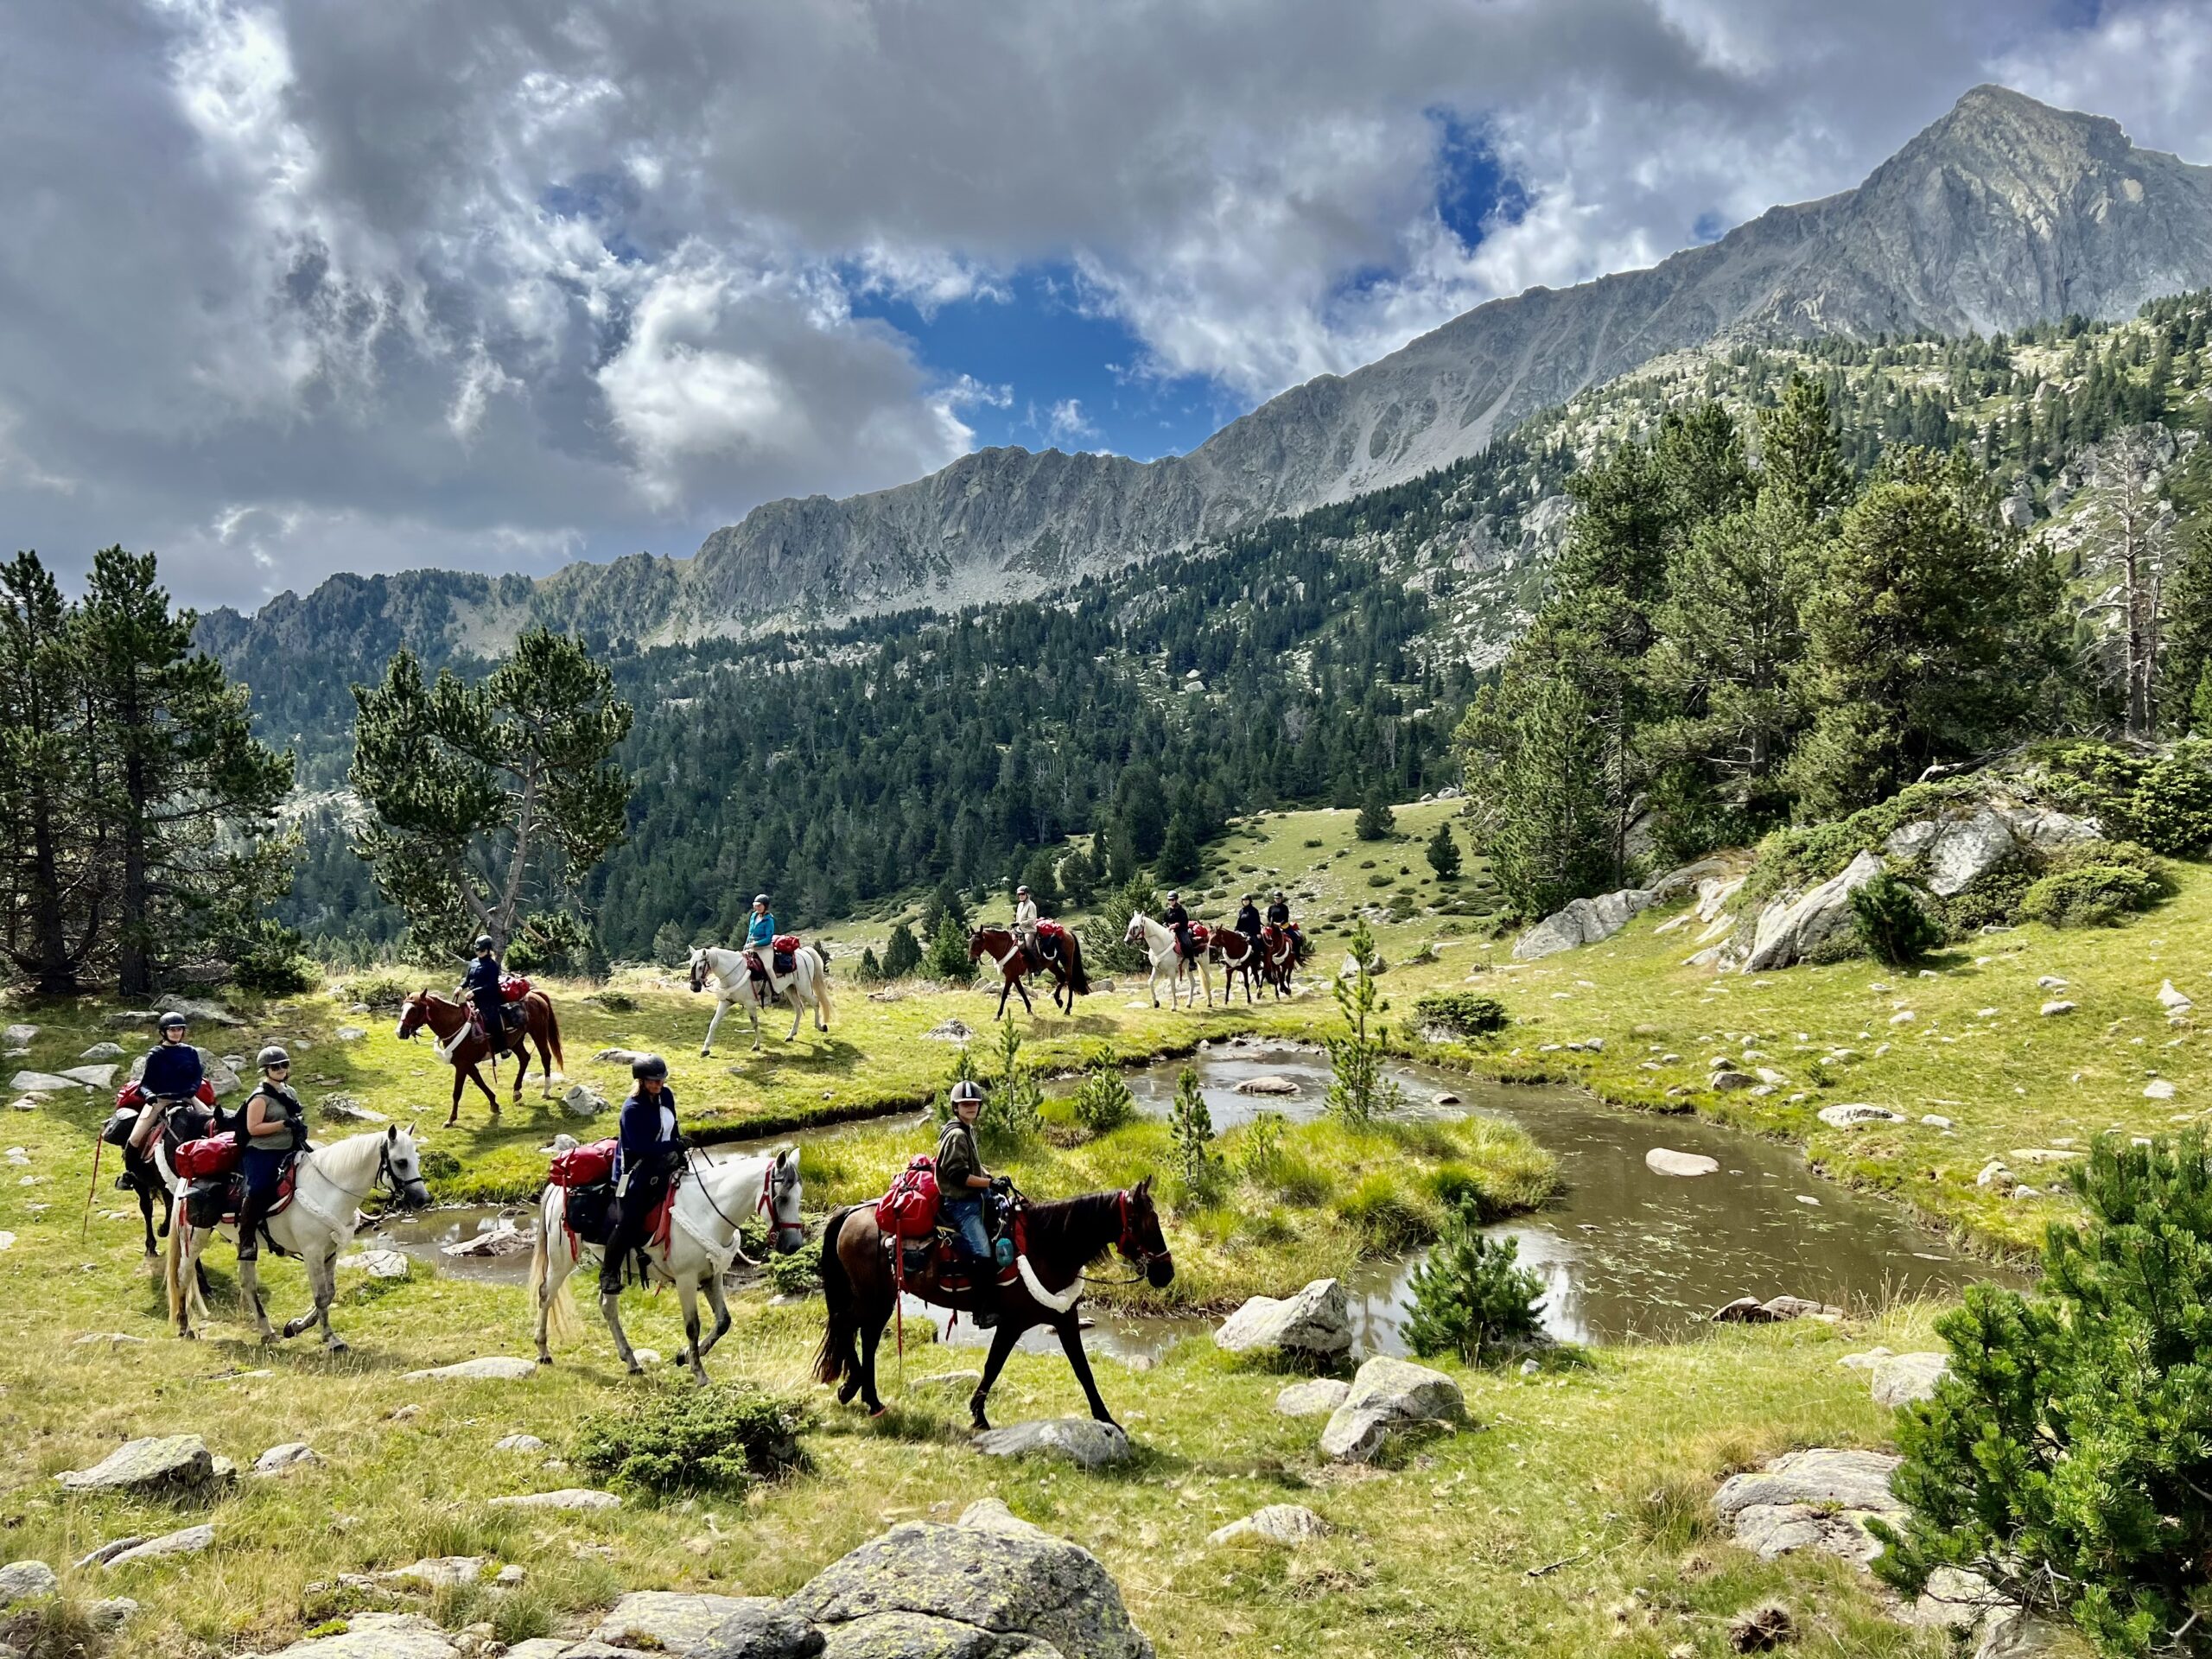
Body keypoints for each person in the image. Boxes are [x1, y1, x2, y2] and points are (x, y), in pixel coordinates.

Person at [601, 1054, 683, 1299]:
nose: (659, 1085)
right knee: (629, 1221)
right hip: (636, 1169)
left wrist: (680, 1149)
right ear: (641, 1081)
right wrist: (674, 1146)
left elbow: (673, 1125)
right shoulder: (632, 1109)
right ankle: (608, 1273)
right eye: (653, 1081)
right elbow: (641, 1148)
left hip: (666, 1162)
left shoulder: (666, 1096)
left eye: (661, 1080)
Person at [935, 1078, 1002, 1326]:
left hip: (975, 1197)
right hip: (962, 1205)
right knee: (982, 1250)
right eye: (965, 1104)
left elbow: (972, 1165)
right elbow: (959, 1176)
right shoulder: (956, 1135)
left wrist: (990, 1177)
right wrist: (989, 1184)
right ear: (956, 1107)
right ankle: (982, 1310)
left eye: (974, 1103)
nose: (971, 1107)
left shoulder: (965, 1129)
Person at [233, 1046, 306, 1261]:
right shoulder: (259, 1098)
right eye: (275, 1066)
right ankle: (246, 1238)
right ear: (265, 1070)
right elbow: (253, 1128)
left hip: (290, 1147)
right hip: (262, 1151)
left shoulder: (290, 1091)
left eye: (284, 1065)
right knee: (258, 1189)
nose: (281, 1069)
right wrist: (284, 1124)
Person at [129, 1011, 205, 1153]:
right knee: (135, 1138)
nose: (176, 1033)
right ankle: (131, 1171)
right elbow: (145, 1084)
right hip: (160, 1100)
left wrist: (193, 1089)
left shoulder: (191, 1052)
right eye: (172, 1029)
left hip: (187, 1097)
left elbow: (197, 1076)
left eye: (179, 1029)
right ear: (163, 1032)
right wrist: (149, 1095)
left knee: (214, 1123)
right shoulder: (155, 1054)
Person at [458, 936, 516, 1053]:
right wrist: (461, 986)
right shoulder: (473, 962)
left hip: (490, 999)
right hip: (473, 999)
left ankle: (502, 1047)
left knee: (491, 1020)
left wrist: (475, 991)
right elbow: (468, 979)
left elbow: (491, 985)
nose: (479, 952)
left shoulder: (492, 965)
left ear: (488, 950)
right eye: (477, 950)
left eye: (482, 950)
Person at [744, 894, 776, 981]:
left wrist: (756, 944)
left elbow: (768, 938)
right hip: (752, 947)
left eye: (759, 906)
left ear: (765, 906)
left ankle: (775, 990)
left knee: (768, 968)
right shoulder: (753, 916)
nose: (757, 908)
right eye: (756, 906)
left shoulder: (769, 920)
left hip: (765, 948)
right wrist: (746, 946)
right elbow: (750, 933)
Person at [1163, 890, 1194, 965]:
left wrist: (1176, 925)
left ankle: (1192, 962)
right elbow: (1164, 921)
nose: (1171, 901)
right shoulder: (1167, 911)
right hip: (1170, 931)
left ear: (1176, 899)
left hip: (1181, 930)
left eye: (1172, 900)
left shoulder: (1182, 910)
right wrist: (1167, 925)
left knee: (1187, 942)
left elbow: (1185, 922)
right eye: (1169, 900)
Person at [1013, 883, 1040, 964]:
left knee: (1028, 946)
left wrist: (1019, 923)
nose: (1020, 896)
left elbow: (1032, 921)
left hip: (1029, 930)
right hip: (1019, 930)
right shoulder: (1020, 905)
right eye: (1019, 894)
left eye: (1022, 894)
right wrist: (1015, 925)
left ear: (1027, 894)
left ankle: (1037, 965)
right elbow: (1018, 918)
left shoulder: (1031, 905)